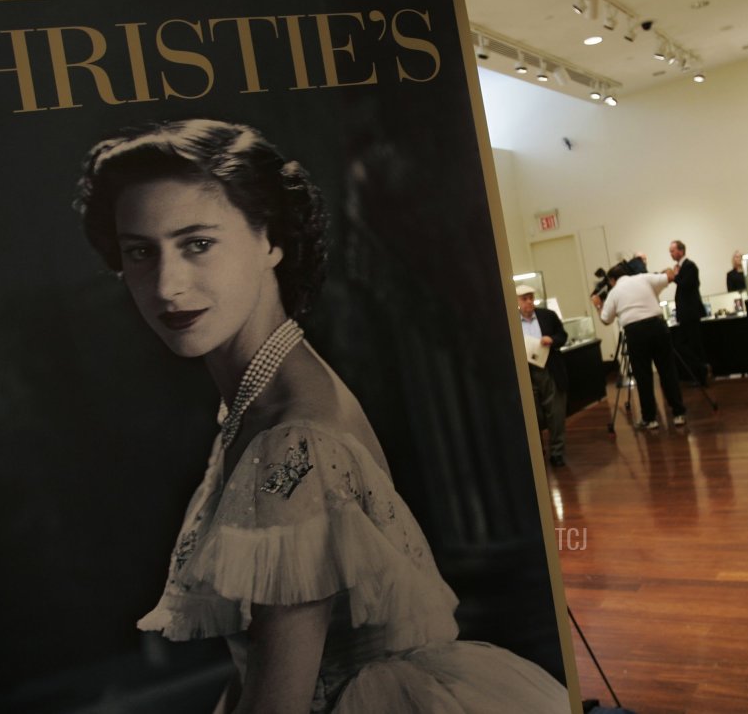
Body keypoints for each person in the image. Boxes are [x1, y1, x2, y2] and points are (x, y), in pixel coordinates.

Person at [74, 119, 568, 713]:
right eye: (140, 252)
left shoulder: (293, 439)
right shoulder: (260, 400)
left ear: (270, 240)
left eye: (197, 244)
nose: (166, 285)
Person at [592, 263, 687, 430]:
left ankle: (650, 419)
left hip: (635, 333)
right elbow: (670, 276)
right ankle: (678, 414)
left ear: (612, 280)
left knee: (643, 376)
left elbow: (606, 320)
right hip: (657, 327)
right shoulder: (644, 278)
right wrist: (667, 272)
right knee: (668, 371)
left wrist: (598, 305)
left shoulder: (614, 292)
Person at [516, 284, 570, 467]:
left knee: (555, 412)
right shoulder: (510, 321)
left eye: (531, 297)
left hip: (548, 368)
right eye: (524, 299)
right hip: (525, 372)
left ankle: (557, 452)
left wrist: (552, 340)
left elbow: (563, 335)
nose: (529, 302)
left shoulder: (548, 316)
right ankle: (537, 451)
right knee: (533, 414)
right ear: (517, 301)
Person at [668, 240, 708, 385]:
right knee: (685, 344)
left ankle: (701, 375)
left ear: (681, 251)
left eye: (672, 251)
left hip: (691, 313)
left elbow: (686, 284)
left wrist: (675, 276)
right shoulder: (683, 267)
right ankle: (698, 374)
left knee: (693, 345)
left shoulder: (690, 266)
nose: (671, 254)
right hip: (686, 314)